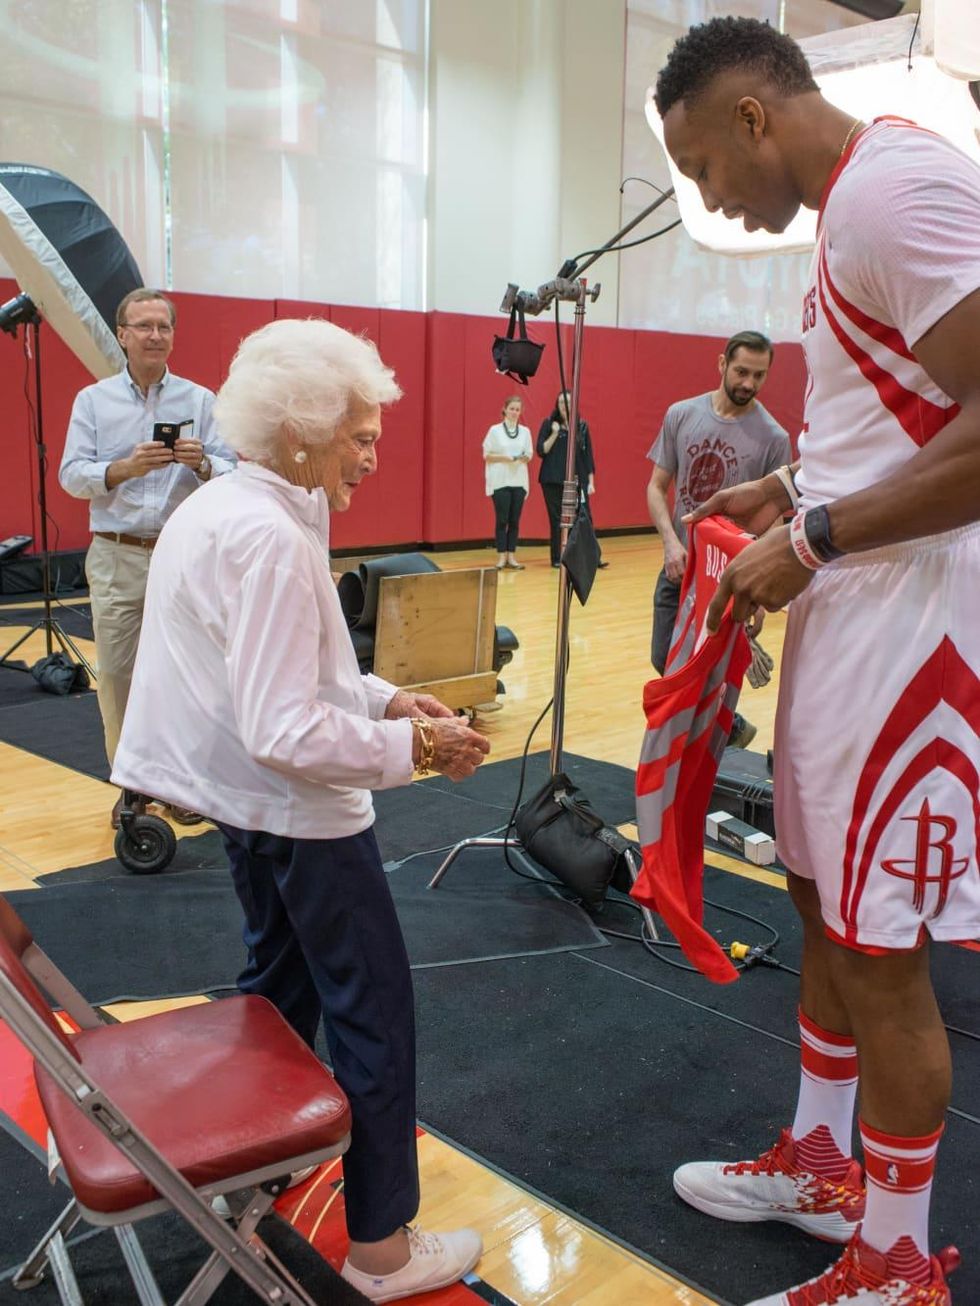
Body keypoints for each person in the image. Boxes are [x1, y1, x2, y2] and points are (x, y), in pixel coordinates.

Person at [655, 16, 980, 1306]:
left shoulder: (896, 188)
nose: (706, 200)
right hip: (854, 604)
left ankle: (895, 1260)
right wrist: (779, 493)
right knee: (814, 895)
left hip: (915, 618)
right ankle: (822, 1161)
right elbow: (879, 427)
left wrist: (816, 532)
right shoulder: (848, 207)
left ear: (751, 118)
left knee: (880, 945)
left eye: (699, 167)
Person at [111, 317, 491, 1304]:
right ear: (299, 432)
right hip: (302, 814)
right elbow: (284, 724)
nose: (373, 451)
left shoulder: (227, 504)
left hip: (249, 810)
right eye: (359, 434)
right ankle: (379, 1246)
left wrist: (381, 697)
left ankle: (252, 1167)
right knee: (374, 1015)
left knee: (275, 994)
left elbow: (294, 672)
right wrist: (417, 745)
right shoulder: (273, 534)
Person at [59, 288, 235, 829]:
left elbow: (234, 473)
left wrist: (203, 462)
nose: (154, 335)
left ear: (172, 335)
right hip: (118, 555)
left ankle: (181, 782)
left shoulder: (202, 401)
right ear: (122, 334)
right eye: (143, 326)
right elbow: (71, 475)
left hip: (185, 557)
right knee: (117, 675)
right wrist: (122, 469)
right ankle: (132, 787)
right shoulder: (93, 401)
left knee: (189, 673)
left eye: (163, 326)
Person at [646, 330, 790, 748]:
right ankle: (731, 730)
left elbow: (775, 521)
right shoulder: (681, 414)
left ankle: (707, 742)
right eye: (742, 371)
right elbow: (657, 487)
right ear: (722, 363)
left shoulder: (774, 438)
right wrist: (671, 543)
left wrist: (761, 592)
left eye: (759, 376)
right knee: (664, 658)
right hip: (680, 568)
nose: (749, 383)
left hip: (732, 579)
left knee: (714, 670)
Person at [536, 391, 606, 568]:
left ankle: (591, 558)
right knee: (557, 520)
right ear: (557, 405)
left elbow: (587, 454)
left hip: (575, 480)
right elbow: (541, 450)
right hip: (551, 480)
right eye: (560, 402)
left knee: (583, 518)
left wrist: (591, 481)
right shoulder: (549, 424)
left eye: (566, 402)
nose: (563, 406)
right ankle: (558, 558)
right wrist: (554, 433)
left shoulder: (581, 426)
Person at [483, 394, 533, 569]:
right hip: (500, 481)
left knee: (514, 520)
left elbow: (529, 454)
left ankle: (511, 555)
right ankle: (501, 556)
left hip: (518, 481)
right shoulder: (494, 430)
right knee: (502, 520)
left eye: (517, 410)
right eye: (512, 408)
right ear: (505, 409)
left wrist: (522, 458)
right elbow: (487, 455)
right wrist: (504, 457)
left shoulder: (525, 432)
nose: (514, 412)